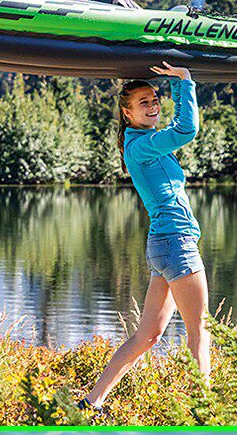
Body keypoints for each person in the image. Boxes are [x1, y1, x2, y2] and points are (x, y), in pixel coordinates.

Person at [80, 61, 209, 411]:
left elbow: (176, 130)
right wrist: (185, 81)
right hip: (177, 243)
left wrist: (177, 84)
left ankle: (92, 401)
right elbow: (186, 130)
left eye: (154, 100)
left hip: (164, 246)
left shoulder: (143, 143)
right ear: (127, 113)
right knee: (199, 329)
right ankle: (206, 410)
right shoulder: (141, 146)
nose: (152, 106)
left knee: (148, 334)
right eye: (143, 103)